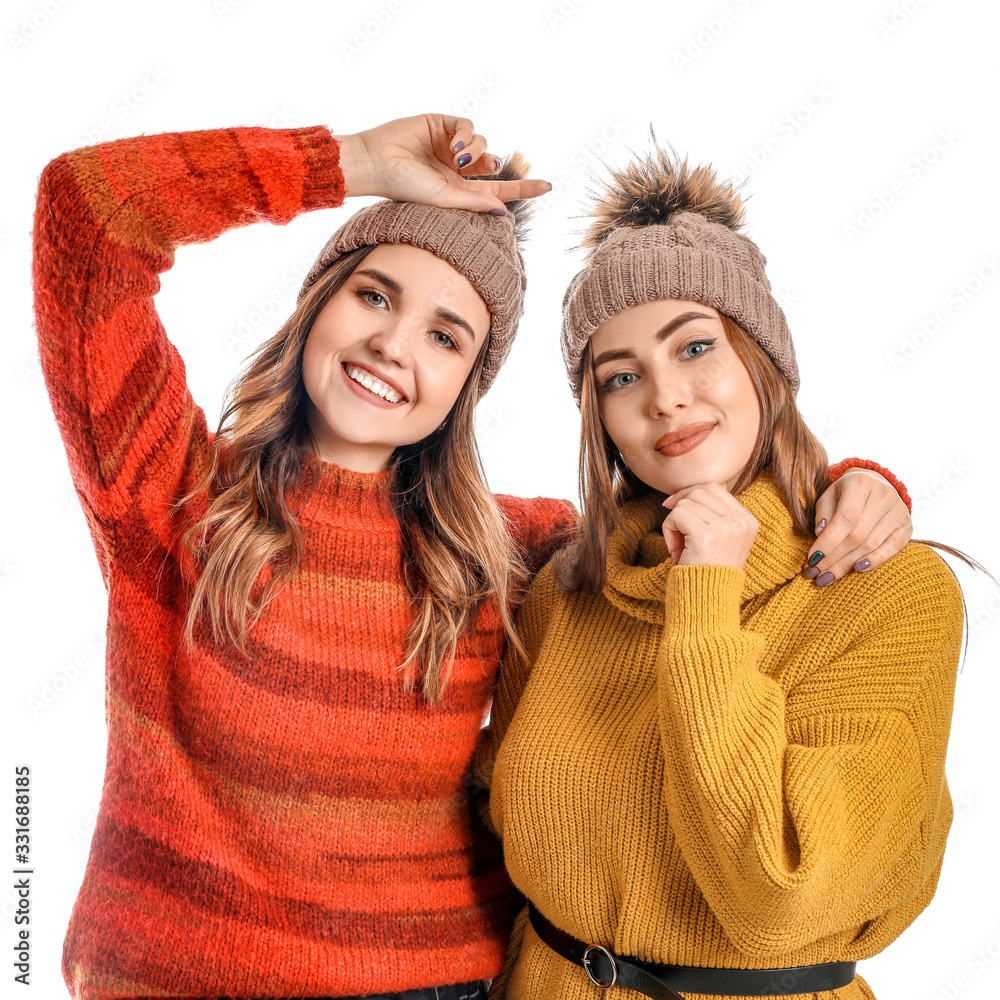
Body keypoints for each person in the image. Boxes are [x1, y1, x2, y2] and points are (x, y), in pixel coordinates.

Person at [32, 115, 913, 1000]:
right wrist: (350, 164)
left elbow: (685, 497)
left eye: (446, 336)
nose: (393, 344)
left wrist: (854, 483)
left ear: (468, 385)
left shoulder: (510, 552)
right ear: (316, 304)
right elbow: (90, 216)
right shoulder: (169, 493)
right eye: (374, 296)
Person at [474, 143, 967, 1000]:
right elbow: (492, 819)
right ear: (604, 425)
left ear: (762, 364)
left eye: (696, 348)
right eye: (621, 376)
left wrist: (705, 602)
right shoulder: (565, 592)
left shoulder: (892, 592)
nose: (664, 397)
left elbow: (779, 898)